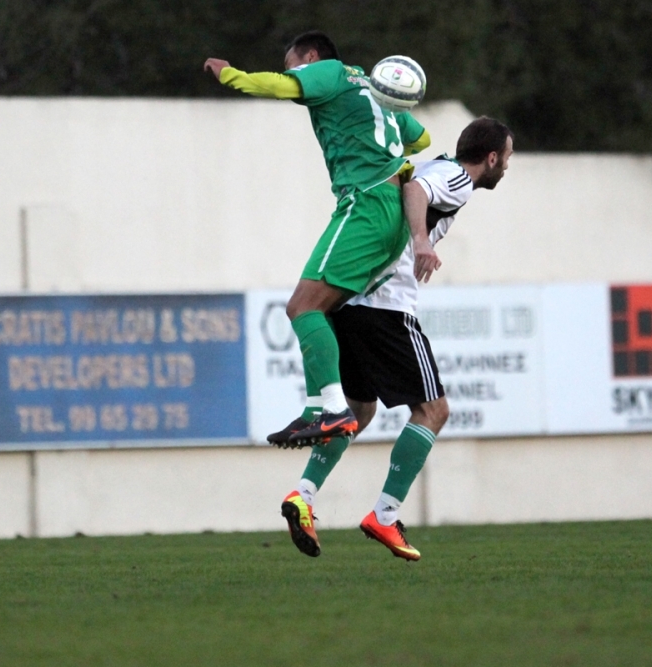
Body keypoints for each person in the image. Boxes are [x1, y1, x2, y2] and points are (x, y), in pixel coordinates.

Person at [277, 117, 514, 560]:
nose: (508, 166)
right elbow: (414, 192)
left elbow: (404, 182)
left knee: (358, 412)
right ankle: (383, 517)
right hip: (387, 308)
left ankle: (302, 497)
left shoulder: (430, 165)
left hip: (353, 305)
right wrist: (422, 242)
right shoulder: (456, 177)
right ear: (492, 157)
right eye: (509, 156)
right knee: (433, 410)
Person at [204, 31, 432, 445]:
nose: (293, 72)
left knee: (300, 306)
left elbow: (280, 85)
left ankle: (332, 408)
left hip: (365, 201)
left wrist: (230, 75)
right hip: (391, 209)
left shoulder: (329, 72)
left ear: (310, 55)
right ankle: (316, 407)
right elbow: (421, 139)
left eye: (293, 62)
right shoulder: (373, 86)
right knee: (320, 310)